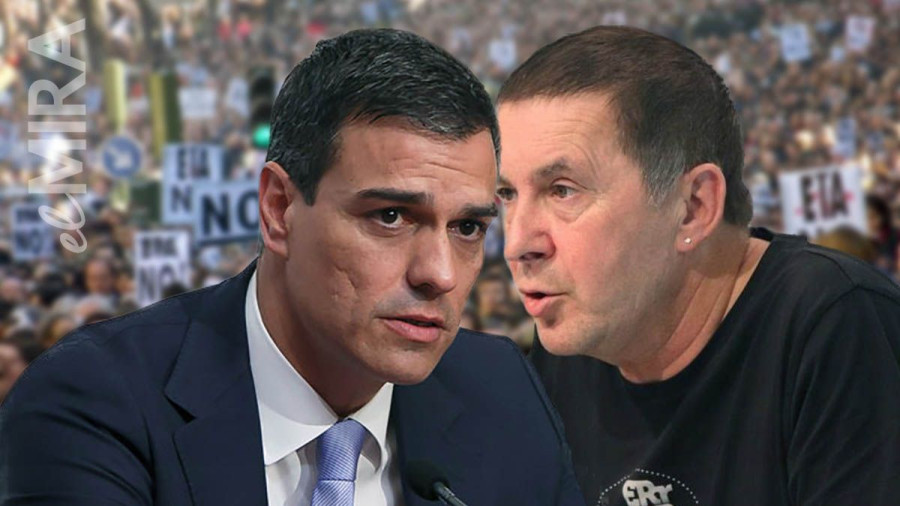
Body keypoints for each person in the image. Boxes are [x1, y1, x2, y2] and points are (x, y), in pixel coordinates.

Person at [0, 29, 583, 506]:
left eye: (468, 228)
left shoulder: (502, 390)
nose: (440, 274)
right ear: (279, 209)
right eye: (390, 216)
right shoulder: (95, 401)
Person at [495, 25, 900, 506]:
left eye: (562, 190)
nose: (517, 243)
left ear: (693, 207)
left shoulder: (836, 323)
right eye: (507, 194)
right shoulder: (566, 351)